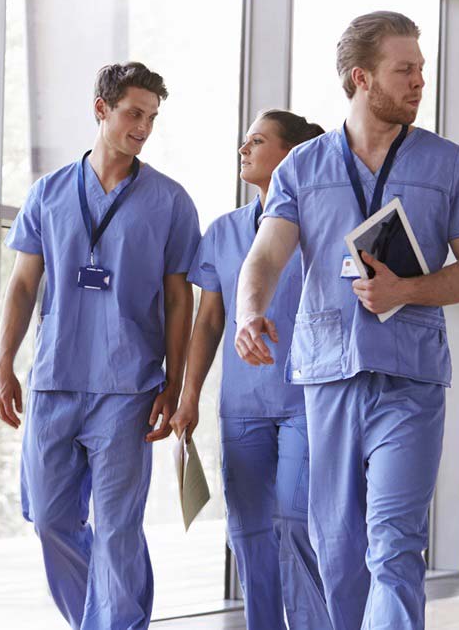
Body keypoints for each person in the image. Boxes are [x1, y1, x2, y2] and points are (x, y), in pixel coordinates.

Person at [233, 11, 459, 630]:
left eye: (421, 70)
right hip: (329, 376)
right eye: (404, 70)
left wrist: (407, 288)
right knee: (338, 551)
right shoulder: (301, 167)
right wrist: (250, 311)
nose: (418, 82)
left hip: (411, 379)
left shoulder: (446, 163)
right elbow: (265, 256)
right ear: (361, 78)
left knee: (395, 546)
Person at [0, 62, 201, 630]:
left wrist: (174, 381)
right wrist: (2, 362)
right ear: (101, 108)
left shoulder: (171, 202)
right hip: (55, 377)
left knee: (116, 527)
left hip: (128, 387)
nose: (143, 127)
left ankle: (118, 623)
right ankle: (98, 621)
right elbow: (22, 284)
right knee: (52, 519)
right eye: (134, 113)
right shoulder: (50, 193)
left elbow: (180, 300)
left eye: (152, 117)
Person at [170, 110, 331, 630]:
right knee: (249, 532)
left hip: (306, 401)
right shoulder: (222, 232)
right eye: (244, 140)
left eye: (257, 141)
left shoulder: (321, 228)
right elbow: (208, 320)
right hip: (241, 408)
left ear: (291, 156)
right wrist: (188, 396)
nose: (244, 149)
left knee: (293, 519)